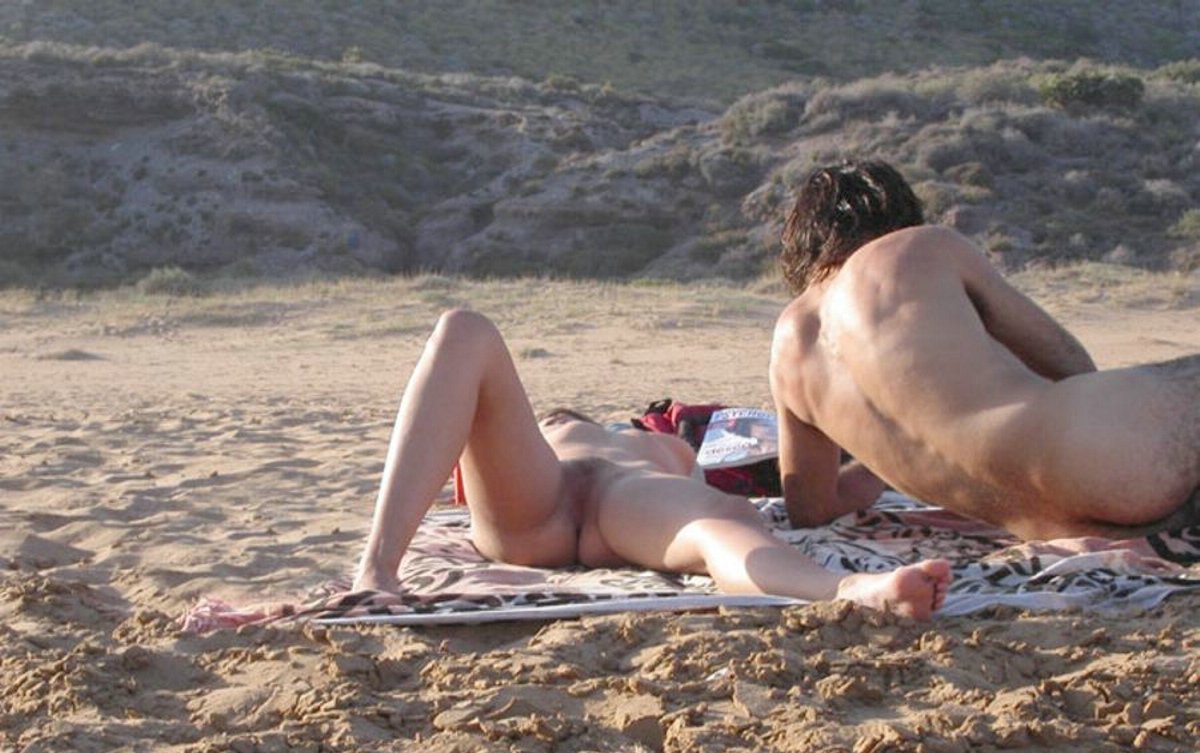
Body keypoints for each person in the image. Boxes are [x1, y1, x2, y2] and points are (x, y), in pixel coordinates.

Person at [353, 308, 950, 620]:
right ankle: (377, 569)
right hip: (596, 500)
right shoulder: (653, 443)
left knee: (717, 528)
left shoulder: (641, 442)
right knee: (462, 328)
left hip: (587, 505)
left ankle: (852, 591)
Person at [770, 159, 1200, 541]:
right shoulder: (914, 247)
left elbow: (811, 511)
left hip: (1061, 528)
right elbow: (1067, 361)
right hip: (1116, 461)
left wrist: (881, 461)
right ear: (897, 214)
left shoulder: (787, 348)